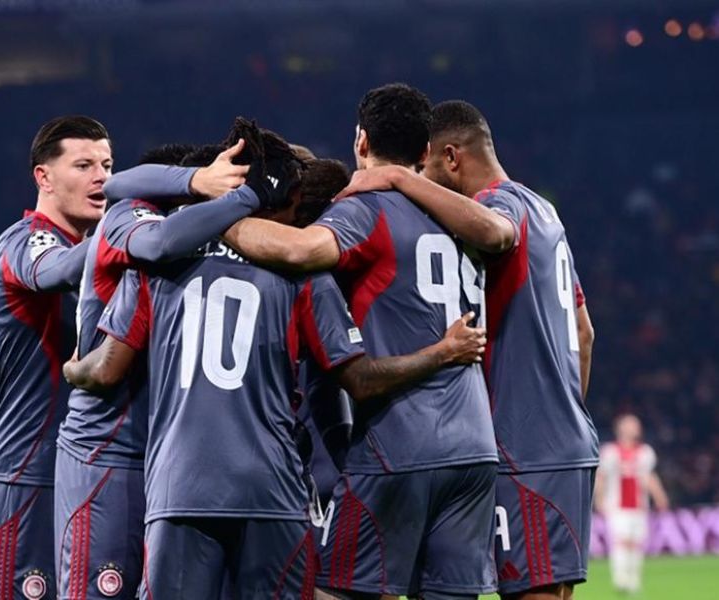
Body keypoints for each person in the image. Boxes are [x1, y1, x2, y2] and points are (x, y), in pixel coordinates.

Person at [64, 120, 489, 599]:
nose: (299, 211)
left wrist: (73, 367)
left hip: (180, 488)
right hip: (273, 492)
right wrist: (441, 353)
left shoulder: (158, 263)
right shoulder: (301, 275)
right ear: (278, 197)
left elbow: (106, 369)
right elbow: (355, 379)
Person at [223, 84, 502, 599]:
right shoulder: (461, 217)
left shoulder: (367, 209)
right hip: (476, 449)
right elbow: (501, 234)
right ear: (425, 150)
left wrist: (220, 219)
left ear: (361, 141)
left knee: (338, 591)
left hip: (400, 445)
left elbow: (300, 250)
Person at [337, 100, 598, 599]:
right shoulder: (545, 212)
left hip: (526, 450)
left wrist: (397, 178)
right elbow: (584, 334)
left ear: (451, 157)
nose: (422, 180)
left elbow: (494, 232)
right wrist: (563, 419)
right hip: (567, 442)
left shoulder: (500, 205)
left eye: (426, 168)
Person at [54, 135, 293, 600]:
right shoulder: (129, 217)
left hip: (163, 457)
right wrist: (235, 192)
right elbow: (153, 230)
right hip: (107, 449)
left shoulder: (197, 241)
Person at [0, 115, 112, 600]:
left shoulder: (102, 258)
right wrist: (126, 230)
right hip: (25, 476)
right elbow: (54, 270)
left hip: (86, 475)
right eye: (84, 165)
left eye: (107, 165)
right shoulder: (23, 241)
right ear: (44, 177)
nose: (101, 177)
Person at [596, 414, 668, 595]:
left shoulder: (645, 452)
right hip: (616, 506)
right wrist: (599, 500)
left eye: (636, 425)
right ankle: (621, 579)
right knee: (621, 541)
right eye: (631, 425)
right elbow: (601, 477)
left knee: (636, 542)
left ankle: (634, 580)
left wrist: (659, 496)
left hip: (639, 506)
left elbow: (649, 477)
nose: (636, 428)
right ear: (621, 428)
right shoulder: (610, 452)